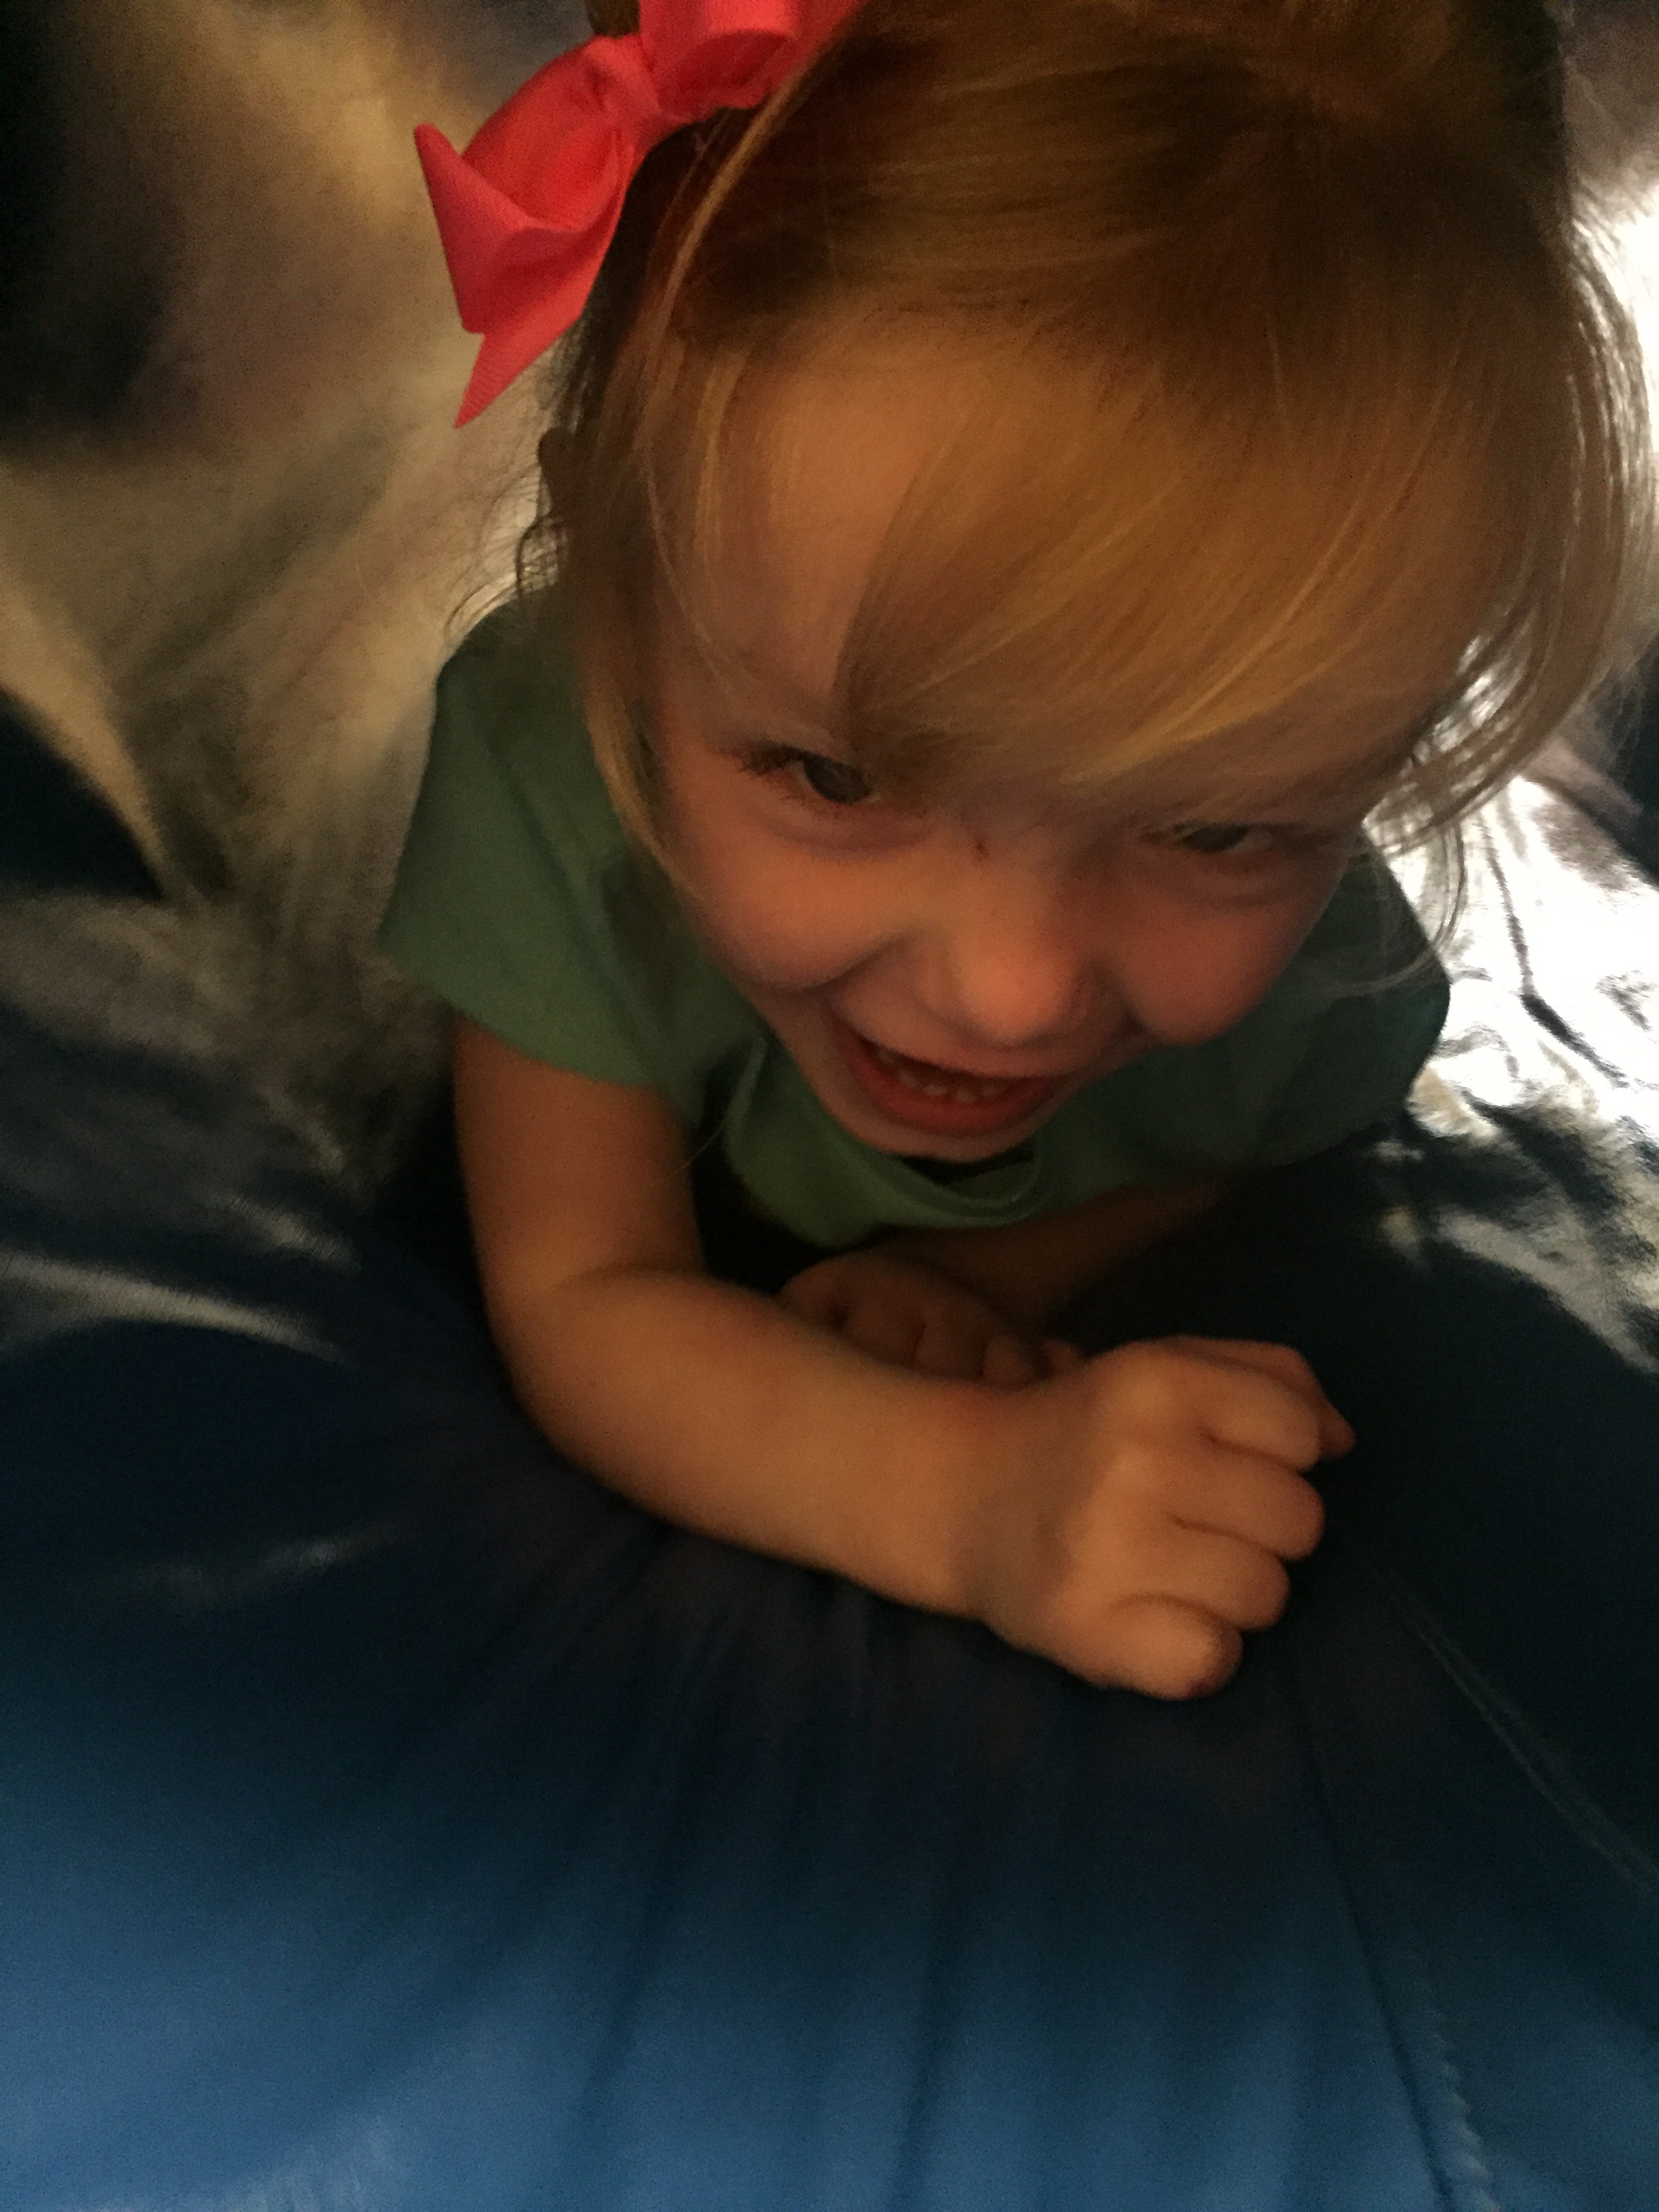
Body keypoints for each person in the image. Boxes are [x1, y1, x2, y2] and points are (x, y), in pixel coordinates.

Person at [382, 0, 1651, 1697]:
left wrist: (978, 1269)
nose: (1013, 992)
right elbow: (586, 1293)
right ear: (621, 594)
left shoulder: (1328, 991)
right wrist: (968, 1499)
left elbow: (1243, 1141)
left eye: (1216, 826)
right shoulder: (551, 784)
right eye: (837, 780)